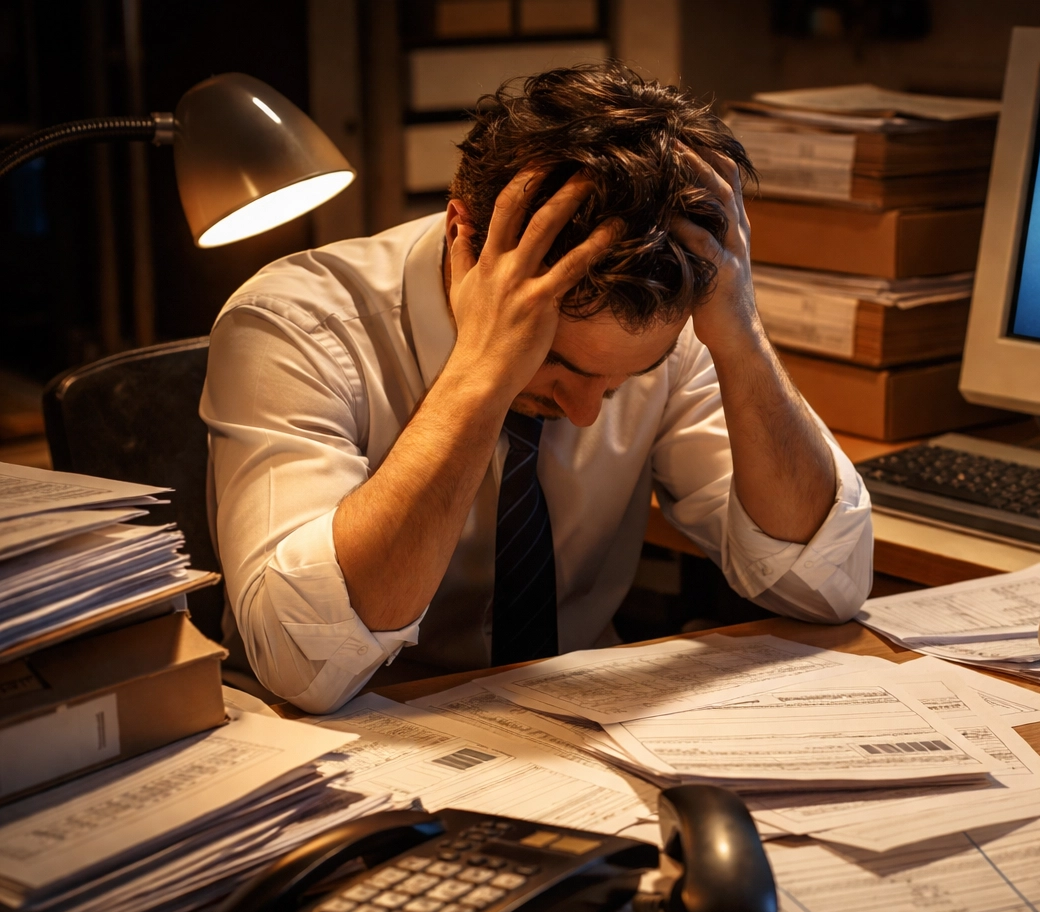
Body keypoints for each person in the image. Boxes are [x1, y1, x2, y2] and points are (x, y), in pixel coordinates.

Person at [201, 64, 873, 714]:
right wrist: (481, 374)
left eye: (626, 380)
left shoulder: (668, 316)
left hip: (578, 726)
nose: (585, 412)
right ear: (463, 235)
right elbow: (305, 667)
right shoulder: (294, 326)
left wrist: (741, 335)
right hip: (349, 744)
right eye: (557, 364)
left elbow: (822, 586)